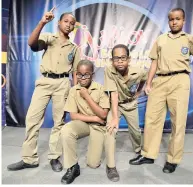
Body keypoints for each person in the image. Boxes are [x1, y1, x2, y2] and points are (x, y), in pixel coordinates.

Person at [134, 8, 193, 173]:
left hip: (180, 80)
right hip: (160, 80)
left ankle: (173, 159)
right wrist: (149, 83)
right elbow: (154, 62)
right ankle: (148, 154)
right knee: (152, 119)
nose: (174, 22)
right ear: (168, 21)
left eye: (178, 19)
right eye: (172, 19)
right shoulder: (161, 39)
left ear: (183, 20)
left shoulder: (189, 39)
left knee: (178, 122)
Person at [7, 8, 80, 172]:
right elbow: (31, 43)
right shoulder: (48, 38)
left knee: (59, 122)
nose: (69, 25)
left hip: (63, 83)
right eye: (66, 21)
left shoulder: (74, 47)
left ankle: (54, 157)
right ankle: (29, 159)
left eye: (72, 24)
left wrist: (74, 91)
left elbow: (75, 71)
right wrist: (42, 22)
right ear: (59, 23)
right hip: (45, 81)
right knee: (32, 119)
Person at [61, 60, 119, 184]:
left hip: (98, 127)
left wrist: (87, 96)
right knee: (66, 130)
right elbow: (73, 115)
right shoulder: (73, 90)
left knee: (93, 164)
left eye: (87, 74)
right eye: (80, 74)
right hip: (84, 124)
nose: (83, 78)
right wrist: (94, 118)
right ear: (76, 75)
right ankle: (72, 167)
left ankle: (110, 164)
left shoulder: (101, 89)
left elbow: (103, 115)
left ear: (92, 75)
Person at [104, 44, 147, 164]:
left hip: (130, 104)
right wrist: (114, 118)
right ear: (112, 61)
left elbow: (144, 78)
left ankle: (138, 151)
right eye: (116, 58)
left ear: (129, 59)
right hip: (116, 104)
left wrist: (139, 91)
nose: (120, 62)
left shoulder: (138, 71)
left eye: (123, 58)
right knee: (110, 128)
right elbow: (113, 93)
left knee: (136, 132)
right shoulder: (109, 70)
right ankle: (110, 159)